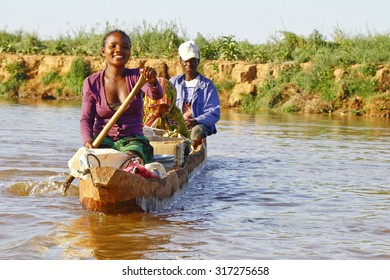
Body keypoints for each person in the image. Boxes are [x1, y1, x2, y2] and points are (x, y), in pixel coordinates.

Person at [80, 30, 163, 164]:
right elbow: (86, 118)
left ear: (130, 52)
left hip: (133, 141)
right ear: (103, 51)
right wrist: (88, 141)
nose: (119, 50)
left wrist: (152, 81)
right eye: (113, 46)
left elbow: (157, 95)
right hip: (102, 141)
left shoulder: (138, 76)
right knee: (93, 162)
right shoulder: (91, 82)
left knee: (129, 161)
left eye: (125, 47)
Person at [169, 40, 220, 147]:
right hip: (175, 125)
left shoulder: (207, 85)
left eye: (192, 60)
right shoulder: (173, 82)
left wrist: (196, 121)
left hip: (198, 125)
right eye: (186, 60)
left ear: (198, 61)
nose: (189, 64)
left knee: (197, 131)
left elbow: (214, 113)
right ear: (180, 61)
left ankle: (192, 152)